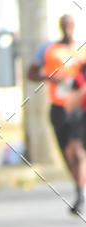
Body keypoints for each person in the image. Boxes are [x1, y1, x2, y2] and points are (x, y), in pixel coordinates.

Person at [27, 14, 86, 214]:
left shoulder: (81, 49)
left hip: (80, 107)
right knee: (68, 153)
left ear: (74, 26)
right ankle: (79, 187)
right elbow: (31, 73)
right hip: (59, 107)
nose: (67, 28)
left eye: (70, 24)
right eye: (64, 25)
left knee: (77, 150)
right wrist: (50, 76)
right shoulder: (48, 49)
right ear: (60, 27)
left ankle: (80, 194)